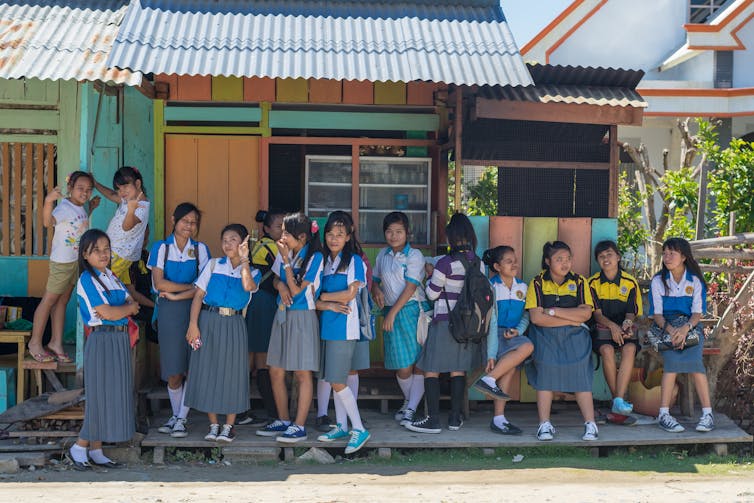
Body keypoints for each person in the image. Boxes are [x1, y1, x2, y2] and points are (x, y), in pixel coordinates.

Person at [68, 229, 139, 470]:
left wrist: (123, 310)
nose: (103, 254)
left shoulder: (111, 276)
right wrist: (124, 310)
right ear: (85, 255)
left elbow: (132, 305)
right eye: (96, 250)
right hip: (101, 340)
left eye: (106, 249)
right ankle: (79, 446)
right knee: (100, 395)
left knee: (112, 393)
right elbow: (107, 313)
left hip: (119, 340)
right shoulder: (86, 280)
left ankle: (96, 449)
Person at [183, 224, 260, 443]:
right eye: (224, 240)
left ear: (244, 242)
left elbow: (248, 287)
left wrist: (244, 260)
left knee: (233, 373)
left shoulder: (253, 271)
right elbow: (198, 296)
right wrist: (193, 325)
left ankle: (229, 426)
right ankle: (214, 424)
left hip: (234, 323)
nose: (227, 244)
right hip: (208, 321)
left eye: (233, 239)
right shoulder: (214, 264)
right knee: (208, 370)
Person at [407, 213, 481, 434]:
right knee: (458, 370)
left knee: (431, 369)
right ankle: (455, 418)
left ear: (450, 238)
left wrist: (430, 275)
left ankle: (432, 420)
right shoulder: (478, 262)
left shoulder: (445, 263)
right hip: (468, 326)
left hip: (444, 322)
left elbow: (431, 294)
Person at [257, 213, 324, 443]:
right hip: (282, 314)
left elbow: (298, 292)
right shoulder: (287, 252)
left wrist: (286, 263)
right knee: (275, 369)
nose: (282, 236)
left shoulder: (315, 258)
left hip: (303, 317)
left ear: (302, 236)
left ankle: (299, 426)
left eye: (286, 232)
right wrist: (280, 287)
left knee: (302, 373)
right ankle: (284, 420)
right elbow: (275, 280)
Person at [525, 241, 598, 442]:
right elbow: (536, 319)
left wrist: (554, 312)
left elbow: (585, 314)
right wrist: (570, 318)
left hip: (576, 336)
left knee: (580, 369)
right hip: (544, 335)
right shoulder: (537, 283)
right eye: (559, 259)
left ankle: (590, 424)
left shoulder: (580, 282)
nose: (565, 263)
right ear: (548, 261)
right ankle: (544, 424)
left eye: (568, 259)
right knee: (546, 367)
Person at [148, 203, 210, 438]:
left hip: (195, 312)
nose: (189, 226)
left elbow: (205, 287)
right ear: (174, 220)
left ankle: (179, 419)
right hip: (169, 313)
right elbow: (159, 284)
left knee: (192, 368)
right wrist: (190, 287)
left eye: (194, 222)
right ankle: (177, 417)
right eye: (185, 220)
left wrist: (181, 292)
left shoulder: (201, 250)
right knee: (174, 369)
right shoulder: (161, 248)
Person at [29, 171, 100, 363]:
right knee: (49, 301)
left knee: (62, 302)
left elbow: (78, 223)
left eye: (88, 190)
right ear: (70, 188)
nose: (84, 193)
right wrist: (48, 201)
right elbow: (47, 222)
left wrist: (90, 207)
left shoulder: (80, 206)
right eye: (80, 189)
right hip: (61, 262)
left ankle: (55, 343)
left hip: (75, 262)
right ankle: (35, 343)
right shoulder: (63, 207)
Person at [315, 212, 371, 453]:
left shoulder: (355, 261)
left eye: (340, 234)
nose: (334, 238)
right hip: (328, 326)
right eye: (330, 234)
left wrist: (325, 297)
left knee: (338, 380)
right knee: (333, 377)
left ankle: (358, 429)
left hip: (345, 327)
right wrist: (325, 303)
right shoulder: (324, 262)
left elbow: (350, 294)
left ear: (348, 237)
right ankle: (341, 425)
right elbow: (311, 299)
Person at [649, 237, 713, 433]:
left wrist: (685, 329)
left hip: (690, 328)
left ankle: (707, 414)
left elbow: (697, 314)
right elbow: (657, 315)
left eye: (672, 253)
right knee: (672, 363)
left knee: (696, 364)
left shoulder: (695, 281)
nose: (667, 257)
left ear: (684, 257)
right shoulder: (658, 281)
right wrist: (671, 330)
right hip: (664, 328)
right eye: (665, 253)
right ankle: (664, 414)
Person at [371, 211, 426, 426]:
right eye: (390, 231)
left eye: (399, 231)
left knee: (416, 362)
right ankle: (409, 402)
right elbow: (375, 279)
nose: (394, 236)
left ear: (407, 233)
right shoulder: (382, 255)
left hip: (411, 311)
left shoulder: (414, 256)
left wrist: (393, 313)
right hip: (390, 311)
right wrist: (376, 289)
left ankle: (411, 408)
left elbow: (411, 286)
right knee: (401, 364)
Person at [472, 245, 533, 435]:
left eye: (515, 260)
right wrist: (491, 353)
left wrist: (518, 330)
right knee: (525, 349)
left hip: (512, 336)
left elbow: (527, 315)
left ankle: (498, 417)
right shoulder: (491, 287)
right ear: (497, 267)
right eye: (508, 261)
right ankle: (490, 385)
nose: (514, 264)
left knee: (519, 355)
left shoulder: (523, 287)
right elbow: (491, 322)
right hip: (493, 336)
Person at [238, 210, 284, 427]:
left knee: (253, 357)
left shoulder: (260, 245)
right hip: (263, 304)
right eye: (278, 226)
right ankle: (272, 412)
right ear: (266, 228)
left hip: (255, 303)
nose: (283, 231)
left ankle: (241, 411)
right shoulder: (271, 247)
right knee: (261, 357)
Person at [588, 240, 642, 416]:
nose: (606, 259)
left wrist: (626, 325)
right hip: (602, 328)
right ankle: (617, 399)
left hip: (624, 328)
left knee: (630, 348)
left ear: (618, 257)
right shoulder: (593, 283)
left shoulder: (630, 282)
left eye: (609, 255)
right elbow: (597, 314)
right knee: (606, 350)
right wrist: (612, 327)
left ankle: (616, 401)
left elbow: (631, 313)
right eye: (601, 256)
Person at [94, 166, 150, 288]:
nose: (121, 192)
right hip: (119, 251)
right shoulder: (128, 199)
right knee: (126, 289)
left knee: (104, 283)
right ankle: (134, 306)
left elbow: (127, 226)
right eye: (119, 189)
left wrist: (131, 210)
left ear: (138, 183)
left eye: (125, 187)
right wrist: (96, 184)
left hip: (120, 253)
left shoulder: (142, 206)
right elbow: (111, 194)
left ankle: (106, 306)